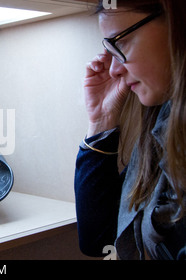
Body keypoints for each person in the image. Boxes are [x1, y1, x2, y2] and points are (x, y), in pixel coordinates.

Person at [74, 0, 185, 259]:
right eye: (109, 51)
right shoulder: (162, 126)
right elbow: (100, 241)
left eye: (120, 43)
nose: (114, 70)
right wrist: (102, 120)